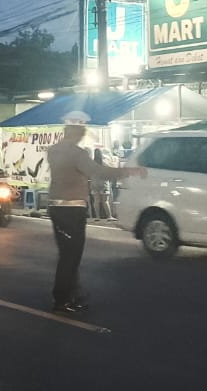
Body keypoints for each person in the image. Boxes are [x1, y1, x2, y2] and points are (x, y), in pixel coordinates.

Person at [45, 112, 144, 313]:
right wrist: (129, 171)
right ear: (77, 131)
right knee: (71, 256)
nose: (83, 135)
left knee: (67, 254)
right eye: (82, 131)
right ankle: (62, 299)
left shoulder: (53, 150)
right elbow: (98, 172)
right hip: (72, 209)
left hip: (55, 207)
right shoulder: (77, 153)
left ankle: (73, 295)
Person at [90, 147, 114, 220]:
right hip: (103, 183)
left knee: (96, 201)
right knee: (105, 201)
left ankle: (97, 217)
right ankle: (109, 216)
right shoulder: (104, 163)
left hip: (94, 183)